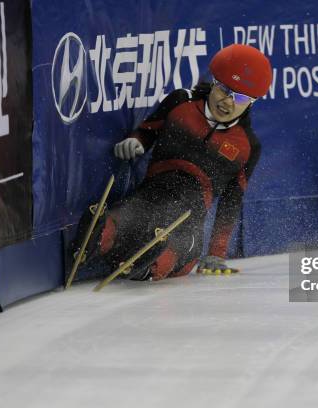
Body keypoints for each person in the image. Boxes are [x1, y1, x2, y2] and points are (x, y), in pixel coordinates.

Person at [72, 44, 272, 280]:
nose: (227, 101)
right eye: (223, 89)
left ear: (252, 103)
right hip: (154, 191)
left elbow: (231, 200)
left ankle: (150, 263)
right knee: (131, 214)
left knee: (180, 240)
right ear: (213, 81)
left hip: (191, 213)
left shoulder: (247, 145)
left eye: (239, 97)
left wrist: (216, 253)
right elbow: (148, 131)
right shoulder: (181, 102)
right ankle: (99, 237)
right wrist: (136, 142)